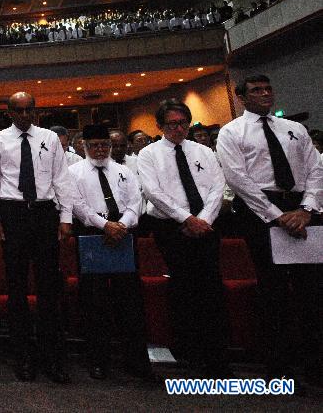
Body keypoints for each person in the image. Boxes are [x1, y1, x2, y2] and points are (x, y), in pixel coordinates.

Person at [216, 75, 322, 386]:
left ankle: (315, 363)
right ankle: (281, 368)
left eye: (268, 89)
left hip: (301, 207)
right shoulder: (232, 132)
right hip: (262, 212)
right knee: (273, 291)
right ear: (240, 98)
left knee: (311, 290)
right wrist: (277, 216)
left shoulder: (294, 128)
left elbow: (315, 168)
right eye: (256, 91)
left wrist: (306, 208)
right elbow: (238, 179)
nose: (264, 94)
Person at [0, 91, 78, 383]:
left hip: (44, 212)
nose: (24, 115)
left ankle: (52, 357)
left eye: (29, 110)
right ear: (9, 113)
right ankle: (22, 355)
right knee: (17, 287)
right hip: (13, 214)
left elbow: (61, 179)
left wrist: (65, 218)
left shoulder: (49, 138)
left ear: (35, 111)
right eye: (19, 110)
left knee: (49, 287)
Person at [138, 99, 228, 376]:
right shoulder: (150, 154)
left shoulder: (203, 150)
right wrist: (186, 219)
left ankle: (217, 357)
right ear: (160, 126)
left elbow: (217, 186)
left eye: (182, 123)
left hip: (207, 224)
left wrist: (204, 219)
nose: (178, 129)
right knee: (184, 288)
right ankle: (189, 353)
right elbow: (153, 192)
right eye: (172, 124)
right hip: (171, 227)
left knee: (211, 287)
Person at [68, 125, 154, 381]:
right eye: (94, 145)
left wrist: (122, 225)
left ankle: (136, 361)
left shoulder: (124, 171)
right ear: (84, 146)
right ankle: (98, 361)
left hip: (123, 234)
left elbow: (134, 202)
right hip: (92, 234)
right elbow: (77, 205)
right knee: (94, 303)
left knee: (130, 302)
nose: (100, 149)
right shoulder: (73, 172)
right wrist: (104, 225)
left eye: (104, 144)